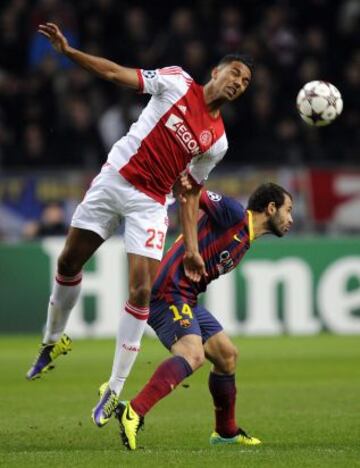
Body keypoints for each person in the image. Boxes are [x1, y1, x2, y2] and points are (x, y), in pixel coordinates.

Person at [25, 22, 253, 429]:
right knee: (68, 263)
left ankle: (113, 388)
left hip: (151, 203)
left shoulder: (217, 141)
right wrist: (68, 53)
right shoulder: (177, 81)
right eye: (235, 72)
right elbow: (116, 74)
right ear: (215, 72)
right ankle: (51, 340)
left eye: (246, 82)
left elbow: (189, 191)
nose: (239, 82)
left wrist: (192, 249)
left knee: (142, 289)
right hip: (115, 179)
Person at [114, 183, 293, 450]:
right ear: (270, 208)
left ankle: (226, 433)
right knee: (192, 355)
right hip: (167, 292)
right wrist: (192, 248)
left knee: (227, 356)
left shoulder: (245, 238)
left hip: (186, 298)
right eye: (288, 210)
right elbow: (192, 192)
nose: (291, 218)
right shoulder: (233, 213)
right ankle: (134, 411)